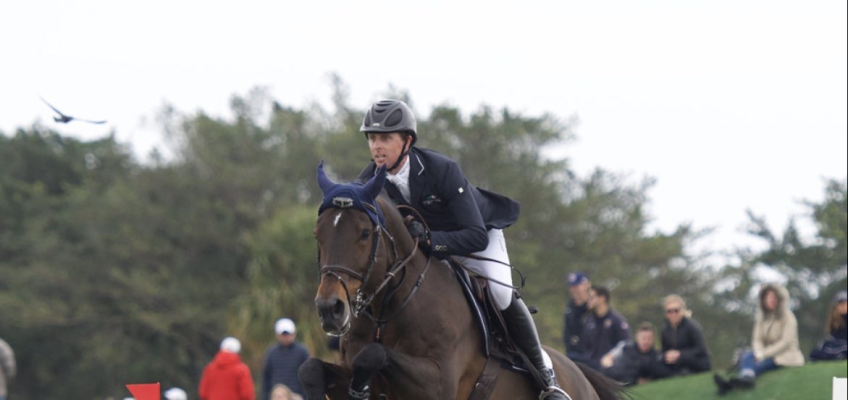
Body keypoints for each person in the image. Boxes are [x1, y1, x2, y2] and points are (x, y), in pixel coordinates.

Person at [356, 99, 569, 400]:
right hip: (427, 251)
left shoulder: (440, 170)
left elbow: (475, 236)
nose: (376, 146)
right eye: (372, 138)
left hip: (475, 239)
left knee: (500, 293)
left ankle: (546, 378)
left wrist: (430, 241)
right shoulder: (367, 182)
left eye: (385, 138)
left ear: (407, 141)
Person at [714, 283, 804, 396]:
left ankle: (734, 383)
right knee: (746, 356)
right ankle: (741, 380)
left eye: (774, 297)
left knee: (759, 365)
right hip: (764, 354)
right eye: (768, 297)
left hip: (784, 356)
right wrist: (758, 353)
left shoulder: (788, 317)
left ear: (780, 299)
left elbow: (786, 342)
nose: (771, 300)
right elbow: (757, 339)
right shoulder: (761, 317)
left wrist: (763, 354)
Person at [574, 286, 630, 370]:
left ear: (602, 298)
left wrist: (611, 356)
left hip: (611, 367)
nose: (588, 300)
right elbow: (584, 346)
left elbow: (625, 343)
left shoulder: (617, 320)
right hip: (591, 366)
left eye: (592, 297)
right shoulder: (588, 321)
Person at [601, 322, 669, 386]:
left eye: (649, 338)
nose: (646, 341)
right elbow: (608, 361)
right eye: (643, 338)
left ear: (653, 339)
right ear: (637, 337)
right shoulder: (626, 348)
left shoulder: (656, 356)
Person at [659, 294, 711, 375]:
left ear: (682, 311)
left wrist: (680, 354)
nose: (673, 314)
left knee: (682, 359)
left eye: (676, 310)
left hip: (697, 361)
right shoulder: (665, 330)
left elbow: (701, 350)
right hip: (676, 362)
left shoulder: (691, 326)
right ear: (666, 314)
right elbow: (664, 351)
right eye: (669, 311)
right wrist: (668, 355)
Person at [263, 318, 309, 400]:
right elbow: (266, 378)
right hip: (276, 396)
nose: (285, 337)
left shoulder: (302, 352)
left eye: (288, 334)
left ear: (294, 334)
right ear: (277, 335)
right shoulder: (271, 352)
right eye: (283, 334)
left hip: (297, 396)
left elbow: (308, 377)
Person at [809, 290, 847, 361]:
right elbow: (833, 338)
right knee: (815, 352)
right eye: (840, 304)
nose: (842, 306)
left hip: (844, 347)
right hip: (836, 346)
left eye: (844, 303)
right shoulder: (835, 321)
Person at [564, 271, 592, 361]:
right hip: (574, 356)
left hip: (592, 357)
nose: (573, 290)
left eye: (576, 287)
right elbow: (567, 335)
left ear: (586, 286)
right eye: (571, 287)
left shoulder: (594, 309)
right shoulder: (570, 309)